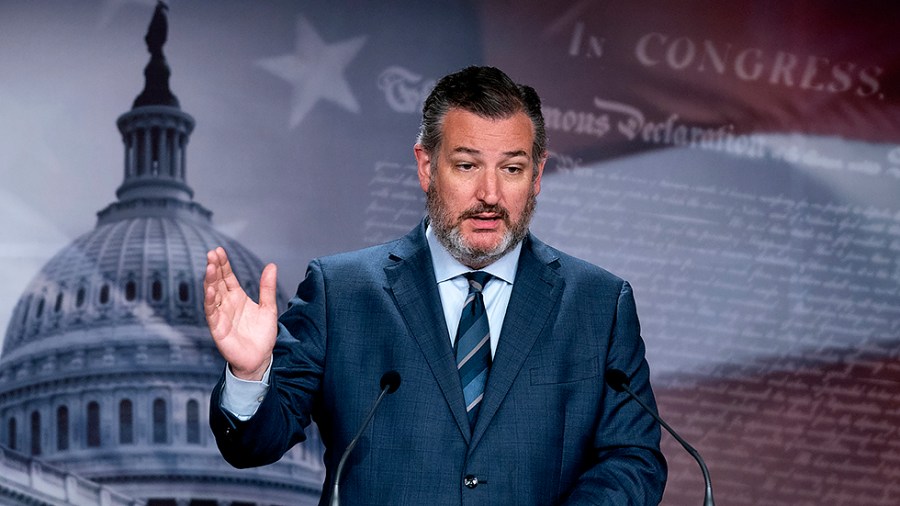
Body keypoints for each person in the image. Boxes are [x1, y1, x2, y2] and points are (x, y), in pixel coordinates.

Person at [205, 66, 667, 505]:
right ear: (426, 166)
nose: (490, 193)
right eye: (467, 166)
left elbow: (633, 459)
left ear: (538, 174)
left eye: (512, 169)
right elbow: (253, 446)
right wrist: (249, 375)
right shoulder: (341, 293)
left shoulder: (598, 305)